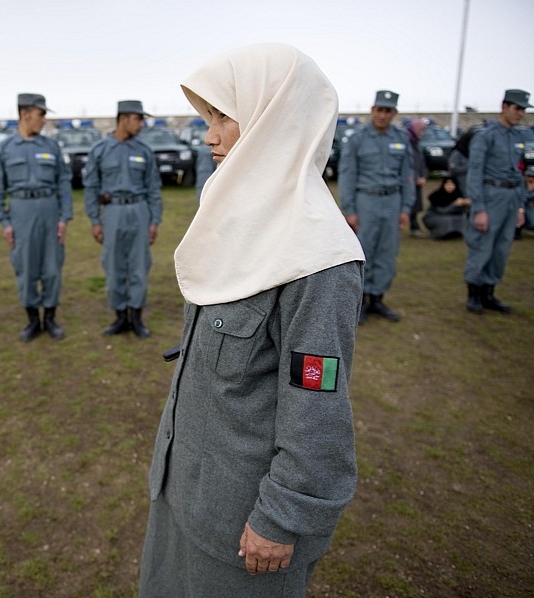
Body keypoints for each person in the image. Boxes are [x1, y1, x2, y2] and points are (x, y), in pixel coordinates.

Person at [139, 43, 365, 598]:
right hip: (185, 489)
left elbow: (318, 400)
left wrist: (283, 517)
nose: (209, 136)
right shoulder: (241, 221)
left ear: (273, 116)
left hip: (244, 528)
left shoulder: (319, 257)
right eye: (206, 119)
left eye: (222, 117)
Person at [0, 93, 72, 342]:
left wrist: (63, 217)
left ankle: (50, 318)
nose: (44, 120)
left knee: (51, 267)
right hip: (20, 211)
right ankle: (33, 319)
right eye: (41, 114)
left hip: (48, 210)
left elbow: (64, 183)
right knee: (25, 267)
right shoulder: (4, 149)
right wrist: (4, 222)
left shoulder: (51, 147)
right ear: (25, 114)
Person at [83, 100, 163, 338]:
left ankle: (136, 317)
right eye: (138, 119)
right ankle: (120, 317)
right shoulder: (100, 150)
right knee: (114, 265)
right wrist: (95, 221)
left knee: (139, 266)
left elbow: (153, 189)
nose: (142, 124)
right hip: (112, 213)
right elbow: (91, 188)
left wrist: (154, 221)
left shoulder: (144, 151)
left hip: (139, 211)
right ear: (124, 118)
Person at [339, 89, 414, 324]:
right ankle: (359, 302)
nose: (383, 115)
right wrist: (349, 209)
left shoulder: (401, 139)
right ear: (372, 110)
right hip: (366, 201)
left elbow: (407, 176)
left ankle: (378, 299)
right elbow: (347, 175)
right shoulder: (357, 139)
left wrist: (406, 208)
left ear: (395, 113)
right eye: (379, 110)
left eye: (388, 111)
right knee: (364, 252)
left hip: (392, 201)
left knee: (387, 253)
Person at [463, 89, 533, 314]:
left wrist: (521, 206)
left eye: (523, 109)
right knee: (482, 246)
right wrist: (479, 209)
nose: (520, 113)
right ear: (504, 107)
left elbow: (519, 173)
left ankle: (489, 293)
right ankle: (474, 294)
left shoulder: (518, 137)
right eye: (517, 108)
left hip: (511, 197)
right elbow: (475, 173)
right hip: (491, 196)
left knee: (501, 248)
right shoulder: (486, 135)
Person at [406, 119, 428, 236]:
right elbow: (408, 163)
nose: (422, 133)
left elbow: (421, 161)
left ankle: (415, 225)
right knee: (411, 203)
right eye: (421, 130)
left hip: (418, 179)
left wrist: (423, 175)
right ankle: (413, 227)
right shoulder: (408, 142)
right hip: (410, 180)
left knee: (417, 204)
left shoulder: (416, 143)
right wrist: (415, 177)